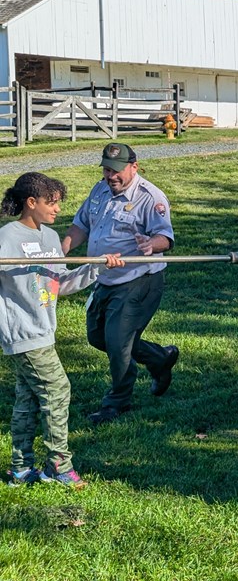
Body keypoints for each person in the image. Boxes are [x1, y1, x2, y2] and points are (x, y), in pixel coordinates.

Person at [1, 173, 123, 487]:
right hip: (23, 332)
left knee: (28, 399)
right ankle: (58, 465)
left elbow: (61, 284)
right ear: (31, 203)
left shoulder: (52, 239)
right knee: (58, 391)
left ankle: (20, 469)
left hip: (44, 328)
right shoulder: (7, 238)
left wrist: (96, 266)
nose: (57, 210)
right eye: (50, 203)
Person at [62, 143, 178, 425]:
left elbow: (166, 237)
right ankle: (159, 359)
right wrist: (60, 251)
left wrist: (152, 243)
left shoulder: (150, 197)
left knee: (117, 341)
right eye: (106, 169)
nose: (110, 176)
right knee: (97, 336)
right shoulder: (99, 190)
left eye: (115, 170)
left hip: (138, 279)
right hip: (103, 276)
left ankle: (117, 402)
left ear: (134, 167)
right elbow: (81, 225)